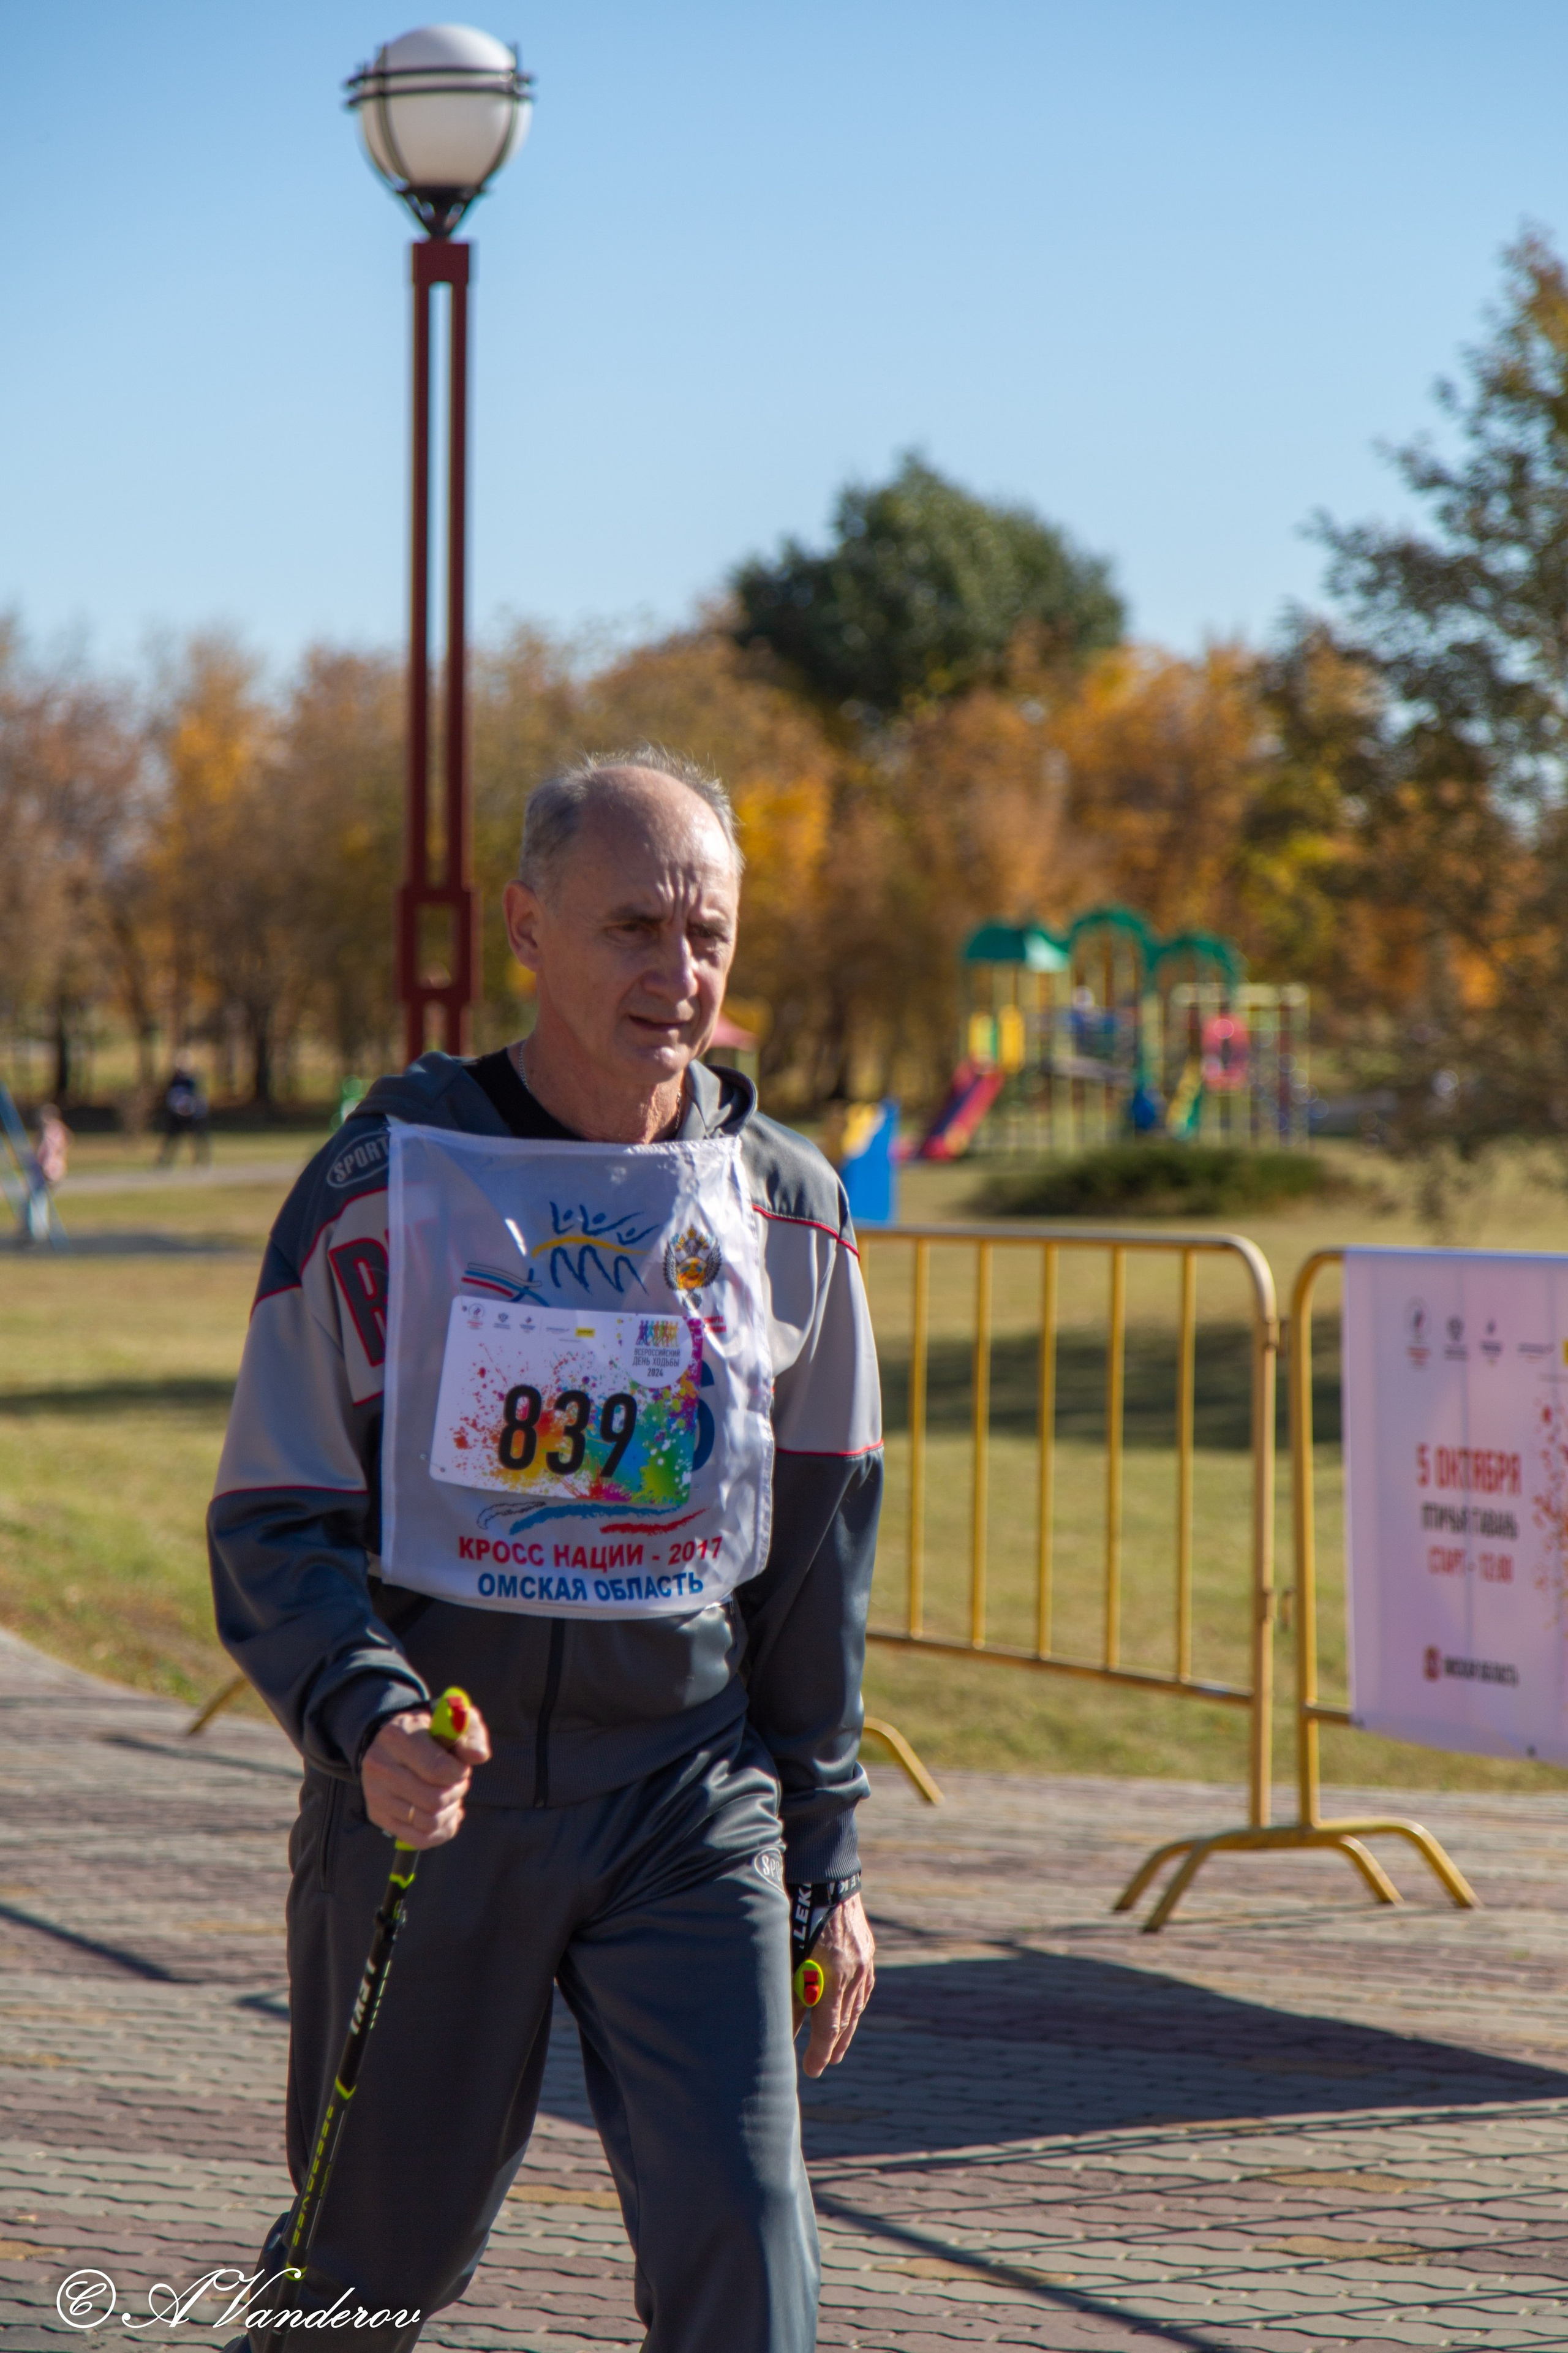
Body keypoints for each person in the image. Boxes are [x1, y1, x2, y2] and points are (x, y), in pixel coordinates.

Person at [209, 750, 883, 2353]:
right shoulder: (383, 1189)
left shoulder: (789, 1211)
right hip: (436, 1802)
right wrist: (368, 1716)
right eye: (634, 927)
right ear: (526, 925)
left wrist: (828, 1853)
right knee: (366, 2277)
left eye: (708, 931)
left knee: (751, 2246)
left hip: (686, 1801)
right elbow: (273, 1519)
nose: (680, 973)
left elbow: (817, 1559)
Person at [157, 1063, 211, 1165]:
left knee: (198, 1139)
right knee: (172, 1140)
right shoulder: (174, 1083)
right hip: (176, 1116)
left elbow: (199, 1099)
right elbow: (171, 1099)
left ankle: (202, 1162)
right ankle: (165, 1163)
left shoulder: (193, 1082)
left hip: (193, 1116)